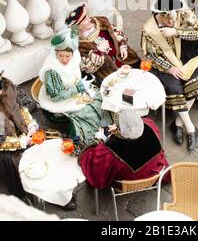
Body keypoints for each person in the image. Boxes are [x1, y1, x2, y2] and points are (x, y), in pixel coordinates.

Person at [141, 0, 198, 152]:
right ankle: (191, 128)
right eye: (167, 19)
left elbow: (197, 31)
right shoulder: (148, 28)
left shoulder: (183, 13)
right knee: (174, 87)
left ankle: (177, 123)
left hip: (187, 55)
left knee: (197, 80)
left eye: (173, 17)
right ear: (160, 15)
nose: (171, 20)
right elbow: (150, 55)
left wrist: (176, 31)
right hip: (165, 64)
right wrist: (169, 68)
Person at [39, 27, 113, 145]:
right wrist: (79, 88)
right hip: (60, 101)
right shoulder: (52, 71)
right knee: (89, 112)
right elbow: (55, 96)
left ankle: (106, 128)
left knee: (100, 98)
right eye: (61, 55)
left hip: (76, 92)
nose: (64, 59)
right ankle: (94, 137)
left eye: (67, 56)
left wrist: (84, 87)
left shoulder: (75, 57)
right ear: (55, 53)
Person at [79, 109, 169, 189]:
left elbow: (95, 170)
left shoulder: (110, 152)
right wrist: (120, 130)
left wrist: (99, 140)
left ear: (119, 130)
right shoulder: (149, 125)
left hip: (129, 183)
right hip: (155, 174)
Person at [66, 4, 140, 81]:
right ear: (78, 26)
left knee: (138, 74)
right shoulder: (79, 44)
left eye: (87, 16)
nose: (89, 19)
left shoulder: (100, 21)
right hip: (107, 70)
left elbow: (116, 31)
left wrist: (122, 44)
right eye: (84, 19)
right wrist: (99, 52)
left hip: (122, 57)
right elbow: (88, 68)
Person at [0, 71, 38, 199]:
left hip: (21, 131)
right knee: (15, 161)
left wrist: (30, 124)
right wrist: (21, 142)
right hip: (5, 145)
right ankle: (28, 192)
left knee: (42, 143)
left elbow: (21, 108)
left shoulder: (7, 86)